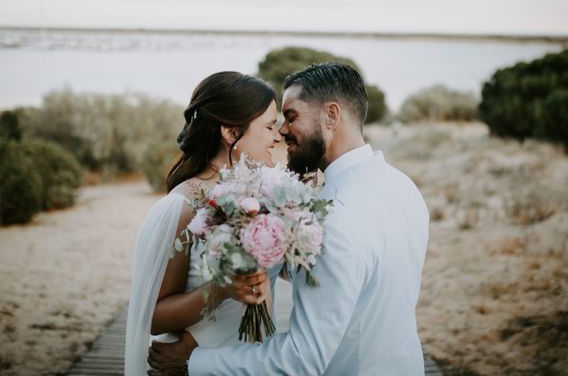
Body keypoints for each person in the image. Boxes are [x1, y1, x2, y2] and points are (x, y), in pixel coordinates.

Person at [147, 63, 430, 375]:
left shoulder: (334, 217)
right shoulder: (403, 188)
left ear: (331, 116)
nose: (281, 131)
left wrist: (193, 361)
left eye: (291, 117)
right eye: (273, 124)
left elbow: (301, 360)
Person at [124, 71, 283, 376]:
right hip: (197, 365)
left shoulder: (259, 196)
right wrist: (222, 290)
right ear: (230, 132)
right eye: (268, 126)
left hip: (250, 360)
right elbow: (153, 316)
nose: (277, 137)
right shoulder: (181, 207)